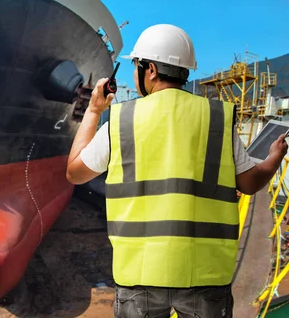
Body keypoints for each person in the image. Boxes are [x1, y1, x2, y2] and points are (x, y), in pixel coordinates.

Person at [66, 24, 288, 318]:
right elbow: (249, 183)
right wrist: (274, 157)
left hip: (138, 272)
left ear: (152, 70)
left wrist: (93, 110)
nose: (135, 73)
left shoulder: (121, 121)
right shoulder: (217, 118)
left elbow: (75, 172)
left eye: (136, 66)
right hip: (206, 271)